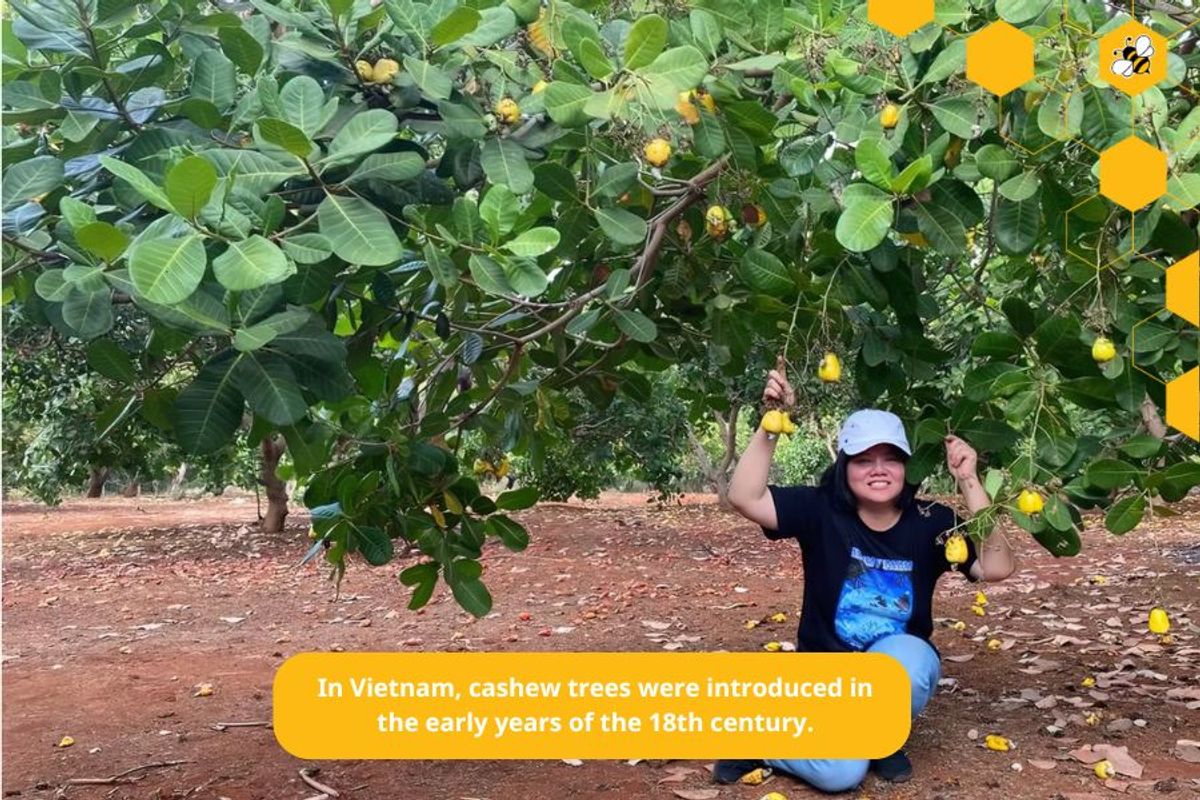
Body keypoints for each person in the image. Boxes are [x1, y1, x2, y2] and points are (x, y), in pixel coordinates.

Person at [713, 364, 1016, 791]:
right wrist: (770, 425)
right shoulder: (821, 511)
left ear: (907, 467)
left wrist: (968, 479)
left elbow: (998, 567)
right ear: (844, 467)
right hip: (825, 683)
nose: (878, 470)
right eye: (863, 460)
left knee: (911, 663)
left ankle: (880, 735)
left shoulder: (934, 521)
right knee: (841, 774)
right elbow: (744, 496)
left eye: (891, 459)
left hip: (891, 670)